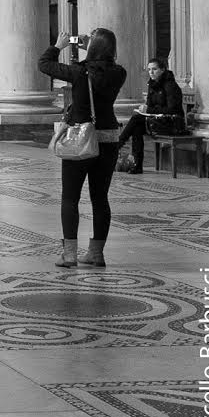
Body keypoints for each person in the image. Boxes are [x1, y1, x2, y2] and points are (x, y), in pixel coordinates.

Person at [40, 28, 127, 267]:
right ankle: (96, 254)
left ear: (92, 47)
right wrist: (91, 49)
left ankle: (69, 255)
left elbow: (44, 64)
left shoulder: (79, 72)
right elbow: (102, 68)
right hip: (108, 140)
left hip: (80, 139)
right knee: (100, 198)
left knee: (70, 197)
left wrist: (58, 46)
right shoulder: (119, 73)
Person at [116, 56, 184, 174]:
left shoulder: (170, 85)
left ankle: (118, 144)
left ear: (163, 70)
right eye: (149, 69)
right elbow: (149, 107)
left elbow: (172, 109)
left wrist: (149, 110)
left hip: (172, 122)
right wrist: (144, 110)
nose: (151, 72)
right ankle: (137, 165)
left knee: (136, 119)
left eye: (154, 69)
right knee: (137, 128)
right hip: (158, 121)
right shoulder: (152, 85)